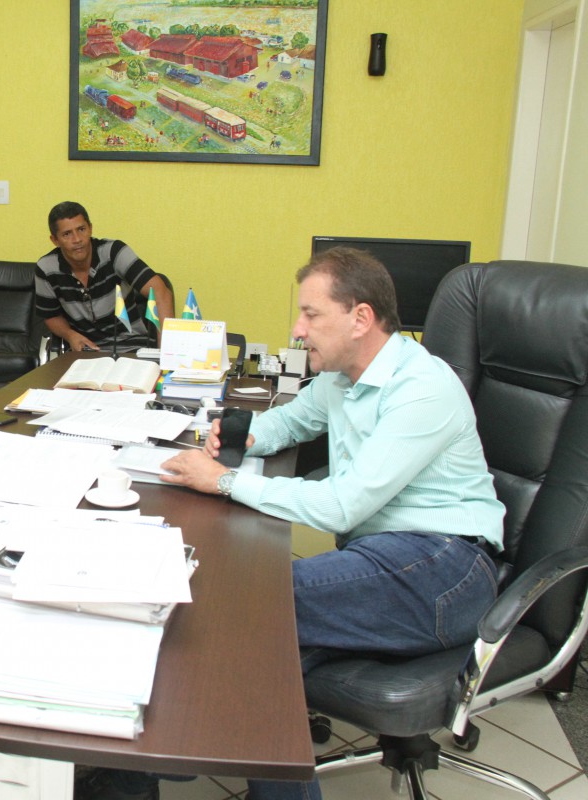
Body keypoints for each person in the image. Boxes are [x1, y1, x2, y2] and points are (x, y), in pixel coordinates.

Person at [146, 247, 502, 800]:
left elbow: (341, 506)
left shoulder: (421, 388)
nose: (297, 328)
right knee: (258, 656)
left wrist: (223, 480)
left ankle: (149, 758)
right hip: (388, 557)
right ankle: (152, 763)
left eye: (311, 314)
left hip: (446, 569)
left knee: (243, 603)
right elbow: (289, 421)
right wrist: (242, 437)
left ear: (360, 318)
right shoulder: (343, 378)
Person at [35, 201, 173, 353]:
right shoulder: (46, 268)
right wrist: (70, 335)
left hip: (130, 346)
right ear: (55, 240)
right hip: (85, 352)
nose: (77, 239)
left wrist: (166, 352)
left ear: (90, 228)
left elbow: (161, 293)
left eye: (81, 229)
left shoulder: (114, 252)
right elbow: (51, 316)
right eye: (67, 234)